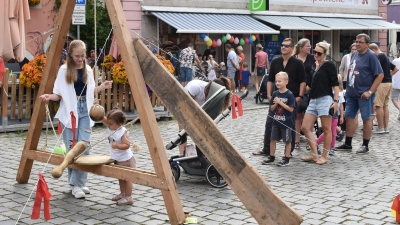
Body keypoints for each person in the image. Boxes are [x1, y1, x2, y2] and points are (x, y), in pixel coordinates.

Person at [39, 40, 113, 199]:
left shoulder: (87, 68)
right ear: (70, 55)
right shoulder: (64, 70)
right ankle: (74, 185)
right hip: (70, 111)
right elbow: (58, 94)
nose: (80, 59)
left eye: (82, 55)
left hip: (85, 110)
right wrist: (48, 97)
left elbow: (91, 90)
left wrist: (103, 86)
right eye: (77, 56)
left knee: (84, 146)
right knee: (72, 147)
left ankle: (80, 182)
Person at [252, 38, 306, 156]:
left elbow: (303, 81)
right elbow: (270, 79)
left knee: (289, 124)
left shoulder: (298, 63)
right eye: (282, 45)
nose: (283, 47)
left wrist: (300, 96)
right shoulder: (276, 62)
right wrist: (269, 94)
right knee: (270, 123)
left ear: (292, 49)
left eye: (286, 46)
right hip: (277, 97)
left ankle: (288, 152)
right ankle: (267, 150)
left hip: (291, 97)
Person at [336, 33, 384, 154]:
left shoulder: (371, 56)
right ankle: (348, 143)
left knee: (366, 118)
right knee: (349, 117)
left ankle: (365, 145)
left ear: (367, 44)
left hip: (364, 94)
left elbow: (380, 75)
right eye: (356, 41)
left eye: (360, 42)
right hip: (352, 93)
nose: (357, 44)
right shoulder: (355, 54)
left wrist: (370, 91)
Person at [301, 41, 339, 165]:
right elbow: (310, 85)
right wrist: (298, 93)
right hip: (313, 99)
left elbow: (335, 84)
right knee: (305, 127)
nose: (316, 55)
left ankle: (324, 155)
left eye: (319, 53)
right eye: (315, 52)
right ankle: (314, 154)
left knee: (327, 129)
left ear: (325, 54)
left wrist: (336, 101)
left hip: (325, 99)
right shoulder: (313, 65)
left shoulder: (329, 65)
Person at [178, 77, 231, 154]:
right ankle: (182, 154)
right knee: (182, 132)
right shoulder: (195, 87)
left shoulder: (216, 94)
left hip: (201, 110)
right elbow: (185, 107)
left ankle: (204, 154)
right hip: (185, 105)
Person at [101, 108, 136, 205]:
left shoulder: (122, 132)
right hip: (117, 159)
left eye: (110, 124)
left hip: (126, 160)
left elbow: (127, 145)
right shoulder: (111, 127)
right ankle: (123, 193)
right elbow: (101, 118)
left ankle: (128, 197)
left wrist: (117, 146)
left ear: (119, 124)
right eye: (108, 123)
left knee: (127, 179)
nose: (108, 125)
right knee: (120, 177)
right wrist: (96, 107)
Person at [261, 72, 295, 166]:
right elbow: (272, 108)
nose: (277, 83)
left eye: (280, 81)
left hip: (286, 122)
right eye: (276, 81)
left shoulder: (289, 94)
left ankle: (287, 157)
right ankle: (271, 157)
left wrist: (280, 103)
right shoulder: (275, 93)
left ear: (286, 82)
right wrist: (276, 103)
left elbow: (291, 109)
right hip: (276, 121)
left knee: (287, 140)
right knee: (273, 139)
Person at [369, 43, 399, 134]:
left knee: (378, 105)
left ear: (373, 50)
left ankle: (380, 127)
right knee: (385, 105)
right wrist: (388, 76)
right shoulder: (385, 56)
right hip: (389, 83)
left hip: (382, 83)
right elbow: (396, 68)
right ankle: (385, 127)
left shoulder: (379, 56)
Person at [293, 38, 315, 150]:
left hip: (310, 90)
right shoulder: (294, 59)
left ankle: (309, 140)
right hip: (298, 90)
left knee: (309, 116)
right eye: (307, 46)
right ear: (300, 48)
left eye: (310, 45)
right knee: (298, 116)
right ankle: (296, 141)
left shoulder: (312, 58)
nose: (310, 48)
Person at [315, 74, 345, 156]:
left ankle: (331, 147)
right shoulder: (327, 92)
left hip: (335, 114)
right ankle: (316, 143)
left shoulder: (340, 94)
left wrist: (341, 116)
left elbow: (341, 106)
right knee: (328, 131)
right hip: (327, 113)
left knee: (333, 131)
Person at [391, 49, 400, 119]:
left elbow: (392, 70)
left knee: (394, 99)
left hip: (396, 83)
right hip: (396, 83)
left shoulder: (395, 61)